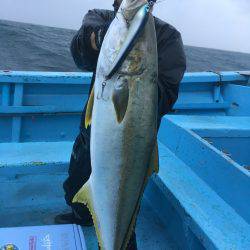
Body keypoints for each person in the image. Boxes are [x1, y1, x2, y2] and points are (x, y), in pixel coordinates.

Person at [55, 0, 186, 249]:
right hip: (91, 134)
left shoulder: (168, 37)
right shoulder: (100, 18)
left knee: (123, 210)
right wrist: (100, 38)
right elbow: (80, 54)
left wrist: (133, 84)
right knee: (76, 187)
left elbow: (167, 94)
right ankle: (81, 215)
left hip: (133, 147)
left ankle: (120, 239)